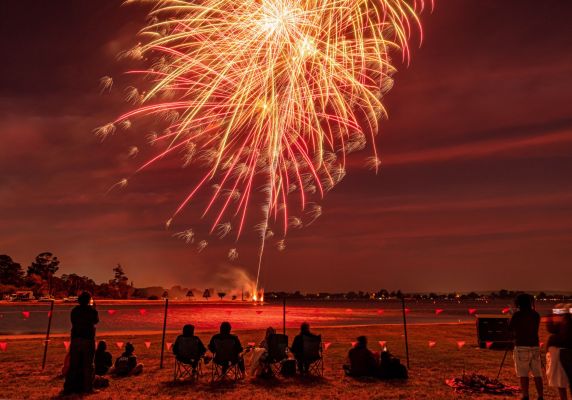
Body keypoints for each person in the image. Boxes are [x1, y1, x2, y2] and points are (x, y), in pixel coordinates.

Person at [508, 293, 544, 400]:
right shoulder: (536, 315)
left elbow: (510, 329)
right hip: (535, 346)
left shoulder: (517, 315)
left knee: (523, 374)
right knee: (537, 373)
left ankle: (525, 395)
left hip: (521, 346)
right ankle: (540, 396)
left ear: (518, 303)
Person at [63, 291, 99, 394]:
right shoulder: (92, 311)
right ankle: (88, 388)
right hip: (88, 339)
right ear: (89, 300)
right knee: (88, 365)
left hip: (75, 339)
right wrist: (94, 308)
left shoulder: (74, 310)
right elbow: (96, 321)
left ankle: (68, 388)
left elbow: (73, 322)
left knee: (73, 364)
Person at [547, 305, 572, 400]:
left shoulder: (567, 323)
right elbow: (552, 329)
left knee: (561, 379)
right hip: (561, 351)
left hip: (563, 351)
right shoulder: (565, 322)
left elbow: (553, 330)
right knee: (562, 379)